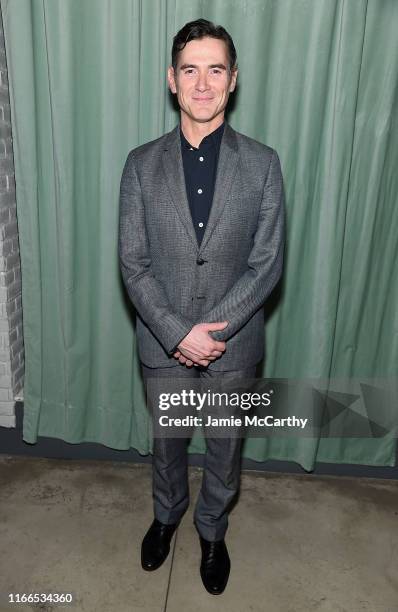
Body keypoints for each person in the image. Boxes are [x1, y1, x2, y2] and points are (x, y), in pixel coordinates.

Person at [118, 18, 285, 595]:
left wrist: (214, 330)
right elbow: (133, 264)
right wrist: (176, 332)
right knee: (166, 447)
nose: (203, 82)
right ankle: (167, 518)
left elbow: (267, 263)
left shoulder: (264, 164)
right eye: (191, 69)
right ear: (172, 80)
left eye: (216, 69)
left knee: (224, 450)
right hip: (163, 346)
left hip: (233, 348)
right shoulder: (140, 165)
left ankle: (212, 530)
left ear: (233, 80)